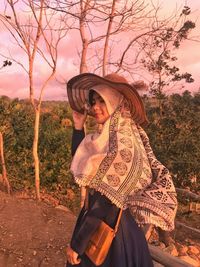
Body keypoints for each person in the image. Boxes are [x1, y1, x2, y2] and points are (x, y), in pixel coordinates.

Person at [66, 73, 177, 266]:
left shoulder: (125, 144)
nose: (95, 107)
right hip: (96, 221)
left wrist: (78, 244)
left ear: (116, 101)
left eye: (102, 100)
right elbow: (80, 160)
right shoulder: (105, 138)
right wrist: (78, 127)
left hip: (113, 234)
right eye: (93, 101)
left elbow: (105, 202)